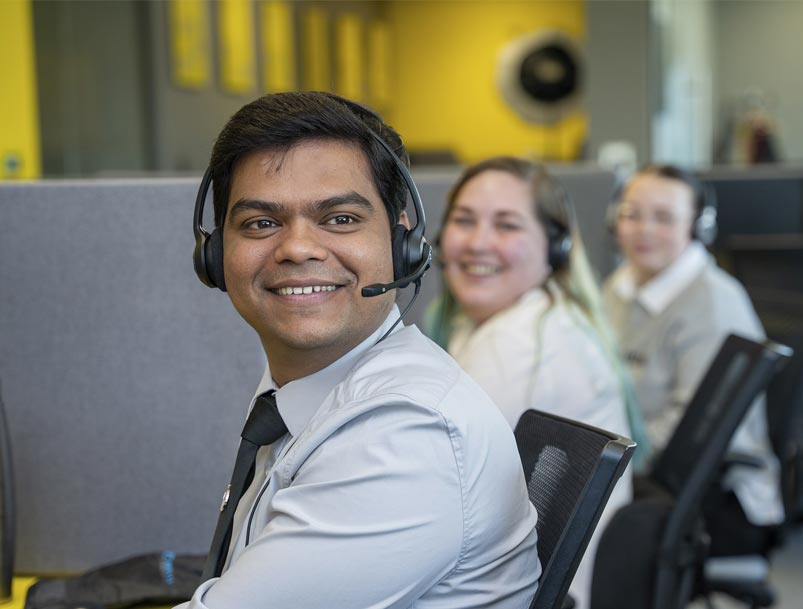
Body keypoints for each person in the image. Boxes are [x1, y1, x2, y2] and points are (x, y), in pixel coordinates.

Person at [178, 92, 540, 609]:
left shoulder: (405, 435)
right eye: (261, 223)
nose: (297, 247)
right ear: (216, 255)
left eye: (341, 218)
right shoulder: (314, 391)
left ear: (401, 244)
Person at [426, 156, 645, 609]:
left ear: (555, 247)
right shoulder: (533, 318)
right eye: (464, 221)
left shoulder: (519, 345)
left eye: (507, 226)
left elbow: (428, 498)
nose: (478, 243)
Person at [601, 164, 783, 555]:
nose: (643, 229)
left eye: (664, 217)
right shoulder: (621, 285)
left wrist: (604, 467)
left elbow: (691, 430)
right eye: (632, 214)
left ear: (698, 226)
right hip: (643, 463)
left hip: (706, 492)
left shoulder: (712, 303)